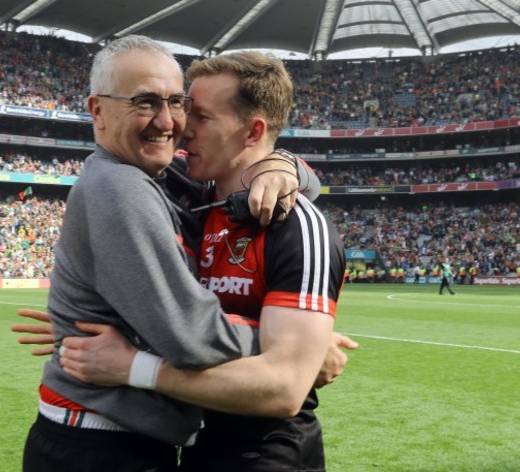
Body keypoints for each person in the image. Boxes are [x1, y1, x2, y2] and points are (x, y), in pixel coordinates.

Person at [21, 35, 337, 472]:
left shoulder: (168, 176)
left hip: (139, 438)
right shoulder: (123, 185)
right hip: (101, 440)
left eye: (181, 104)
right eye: (146, 102)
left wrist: (282, 165)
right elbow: (191, 337)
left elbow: (291, 176)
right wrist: (298, 349)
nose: (174, 123)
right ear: (97, 110)